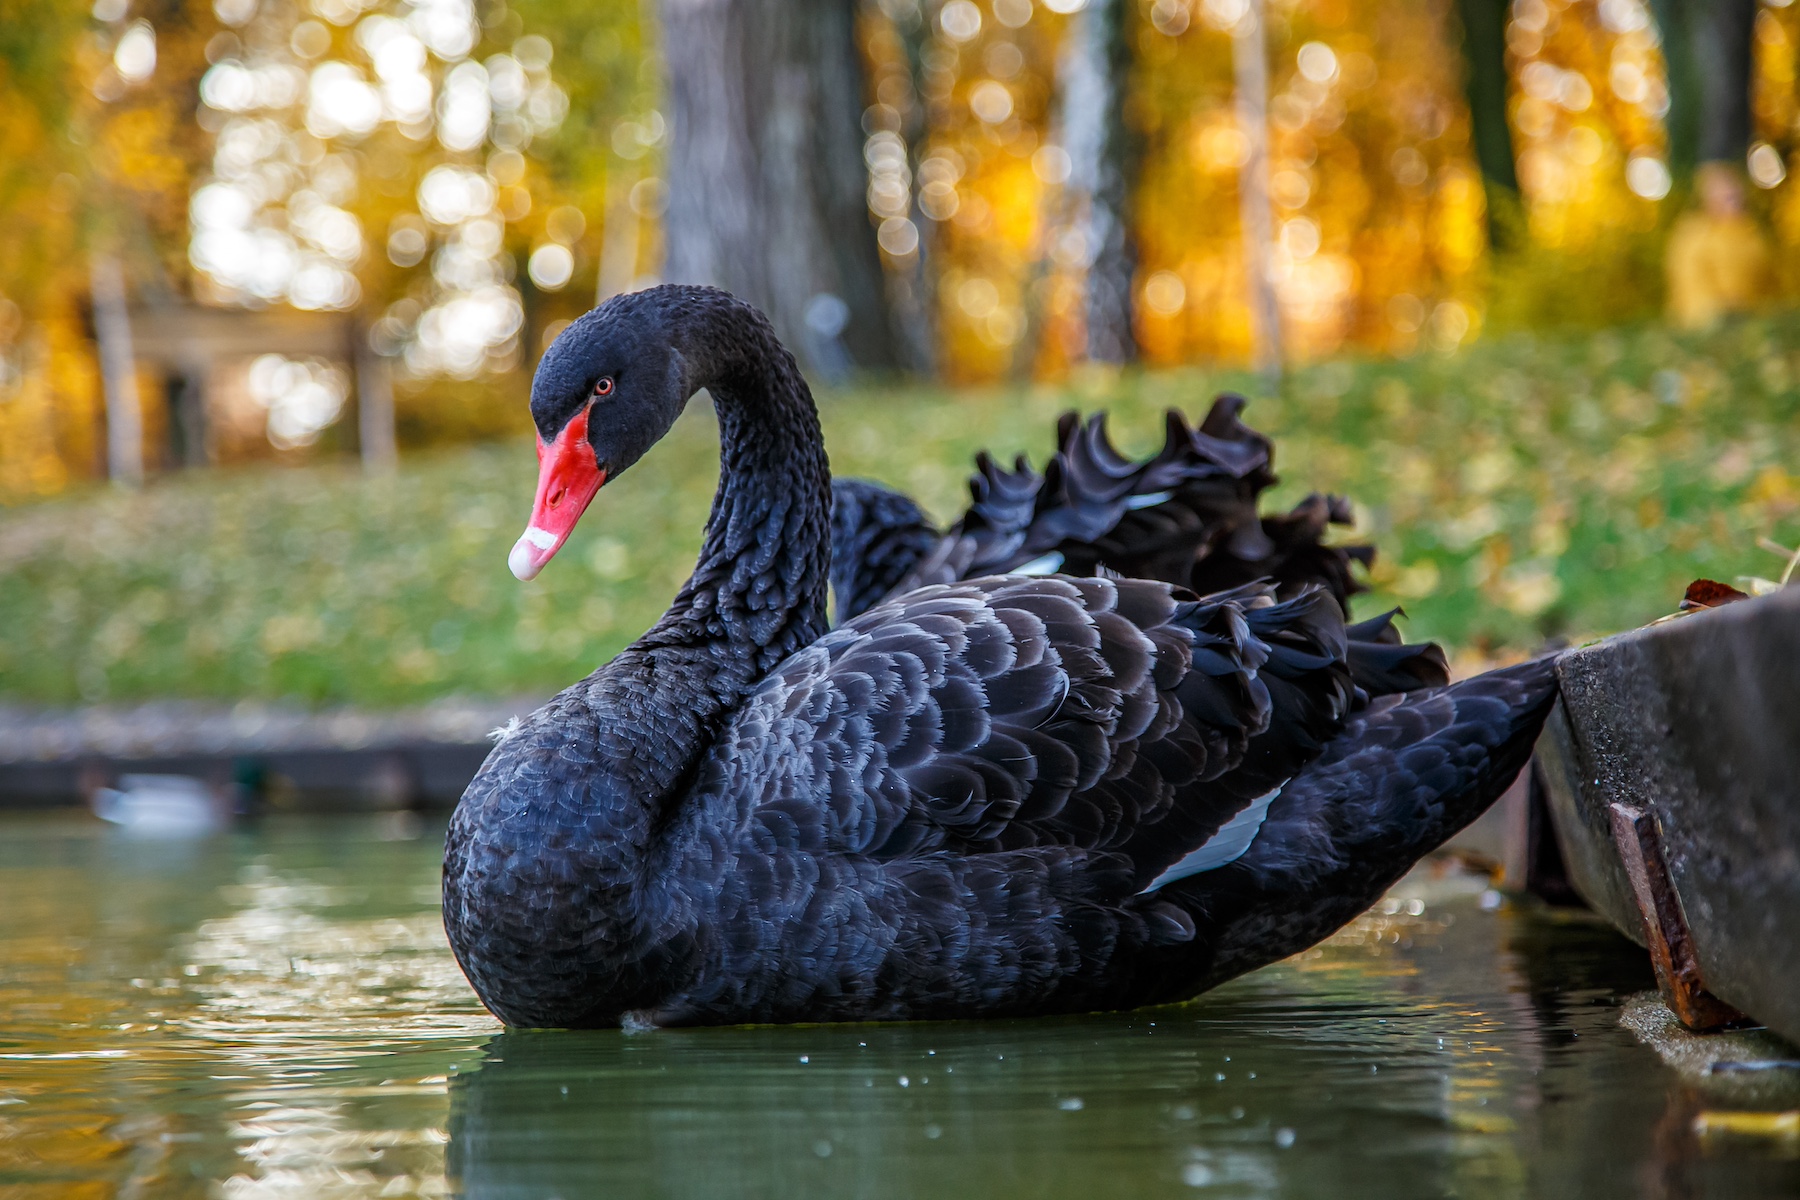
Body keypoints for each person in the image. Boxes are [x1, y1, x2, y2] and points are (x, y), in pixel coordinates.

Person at [1665, 162, 1774, 329]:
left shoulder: (1750, 234)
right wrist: (1716, 309)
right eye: (1727, 197)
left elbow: (1765, 281)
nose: (1734, 203)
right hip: (1705, 317)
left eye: (1736, 196)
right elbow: (1692, 283)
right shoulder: (1695, 235)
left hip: (1749, 313)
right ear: (1709, 199)